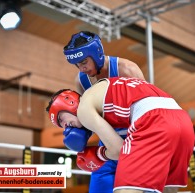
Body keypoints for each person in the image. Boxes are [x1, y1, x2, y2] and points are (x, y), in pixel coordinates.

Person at [46, 77, 195, 193]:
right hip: (183, 120)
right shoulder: (107, 92)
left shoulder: (84, 109)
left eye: (61, 119)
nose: (65, 127)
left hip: (153, 120)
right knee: (167, 190)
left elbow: (118, 150)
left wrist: (99, 154)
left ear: (70, 102)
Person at [62, 31, 145, 193]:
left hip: (135, 142)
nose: (82, 68)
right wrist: (78, 134)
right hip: (108, 143)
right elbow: (89, 117)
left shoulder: (127, 70)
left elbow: (147, 109)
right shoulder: (82, 80)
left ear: (96, 54)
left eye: (84, 62)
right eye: (77, 64)